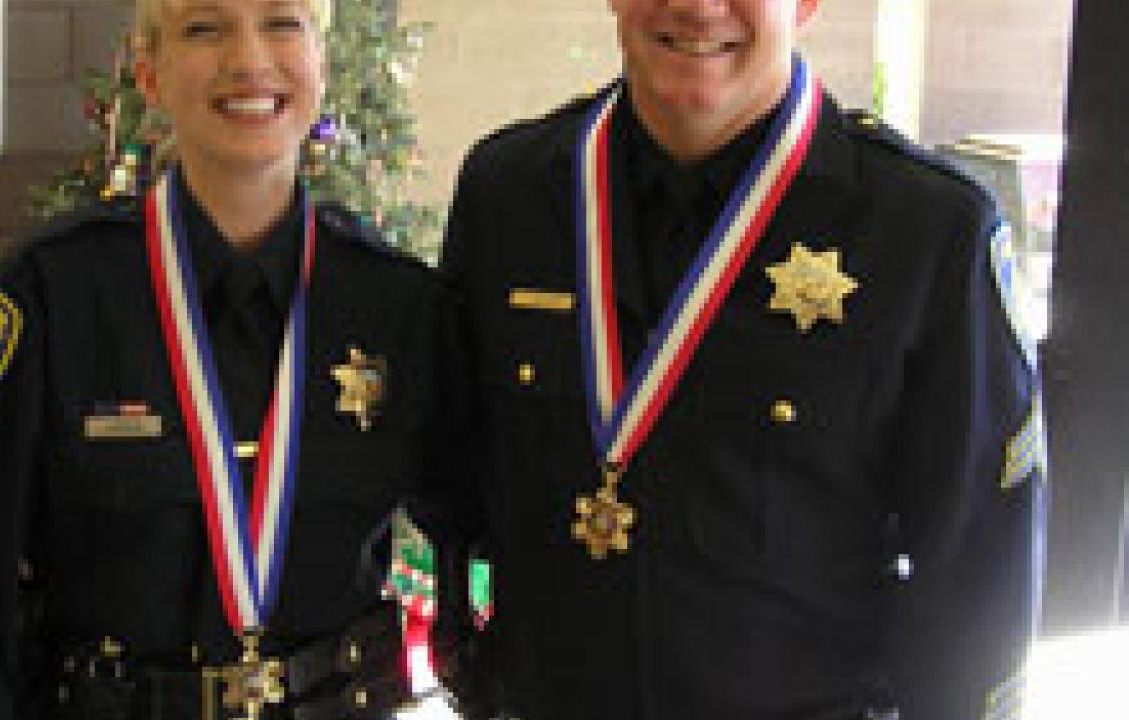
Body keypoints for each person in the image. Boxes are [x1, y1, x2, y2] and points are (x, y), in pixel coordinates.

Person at [441, 1, 1044, 719]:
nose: (697, 8)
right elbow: (455, 481)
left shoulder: (926, 232)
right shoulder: (507, 195)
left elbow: (977, 577)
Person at [0, 1, 463, 718]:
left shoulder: (397, 305)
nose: (249, 59)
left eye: (282, 23)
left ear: (322, 61)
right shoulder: (51, 296)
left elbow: (487, 518)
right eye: (204, 27)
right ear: (148, 73)